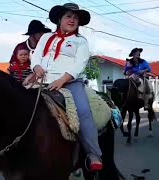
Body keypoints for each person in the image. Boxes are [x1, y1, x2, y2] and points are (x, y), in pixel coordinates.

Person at [22, 3, 103, 172]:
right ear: (59, 19)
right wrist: (36, 67)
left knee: (83, 111)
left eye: (76, 18)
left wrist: (62, 80)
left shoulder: (80, 42)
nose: (72, 20)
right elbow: (36, 55)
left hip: (71, 82)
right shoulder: (46, 38)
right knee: (16, 102)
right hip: (41, 80)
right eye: (68, 16)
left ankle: (93, 154)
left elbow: (79, 63)